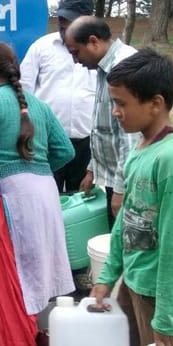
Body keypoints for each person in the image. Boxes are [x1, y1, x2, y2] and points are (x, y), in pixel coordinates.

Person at [0, 41, 75, 346]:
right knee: (36, 278)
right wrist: (35, 169)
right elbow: (66, 151)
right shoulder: (39, 105)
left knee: (13, 287)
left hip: (10, 200)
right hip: (45, 196)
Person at [90, 49, 173, 346]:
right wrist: (108, 275)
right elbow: (126, 219)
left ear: (155, 103)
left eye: (121, 103)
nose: (115, 111)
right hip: (136, 277)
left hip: (159, 291)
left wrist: (166, 318)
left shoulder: (172, 160)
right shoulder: (142, 147)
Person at [64, 15, 139, 228]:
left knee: (125, 237)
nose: (75, 60)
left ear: (94, 41)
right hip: (114, 178)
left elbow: (130, 138)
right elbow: (103, 128)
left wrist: (121, 190)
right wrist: (92, 170)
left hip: (128, 181)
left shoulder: (123, 66)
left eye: (75, 52)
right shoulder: (103, 67)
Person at [20, 0, 97, 193]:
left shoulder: (96, 51)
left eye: (71, 22)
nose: (64, 27)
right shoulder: (42, 47)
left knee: (80, 200)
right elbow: (23, 89)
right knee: (45, 197)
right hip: (47, 141)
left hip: (85, 143)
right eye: (62, 21)